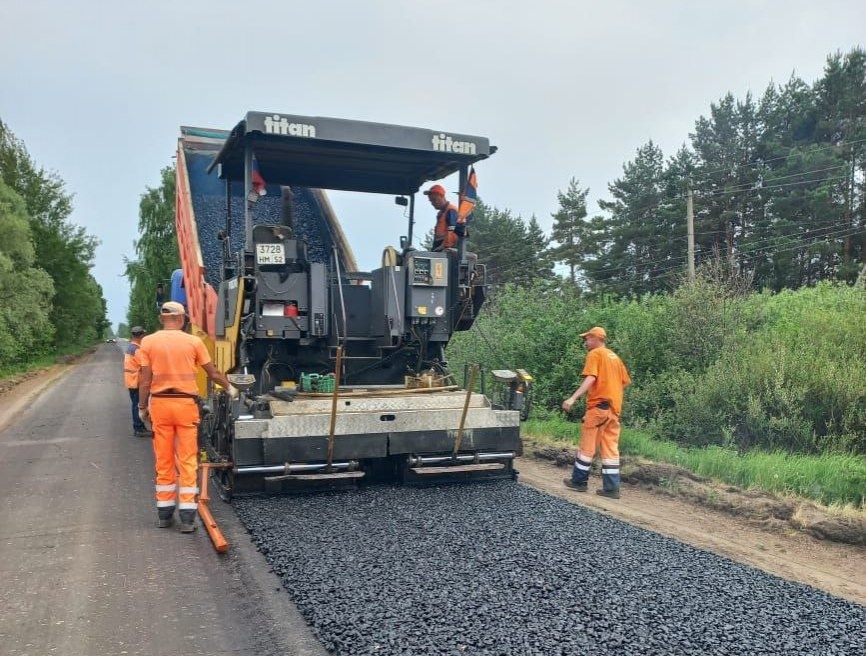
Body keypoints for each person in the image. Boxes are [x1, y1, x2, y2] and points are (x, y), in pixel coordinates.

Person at [137, 301, 238, 533]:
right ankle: (187, 519)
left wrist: (142, 408)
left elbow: (144, 380)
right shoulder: (193, 342)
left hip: (160, 406)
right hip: (185, 405)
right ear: (182, 319)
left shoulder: (148, 342)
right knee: (187, 460)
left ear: (162, 318)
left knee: (164, 460)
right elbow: (212, 372)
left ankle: (164, 515)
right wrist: (230, 387)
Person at [561, 326, 631, 499]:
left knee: (588, 445)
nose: (585, 342)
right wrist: (611, 395)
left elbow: (591, 378)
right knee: (610, 449)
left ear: (595, 338)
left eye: (587, 339)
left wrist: (573, 398)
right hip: (613, 411)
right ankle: (611, 489)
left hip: (599, 408)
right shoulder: (615, 357)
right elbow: (624, 382)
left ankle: (579, 482)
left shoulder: (595, 354)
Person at [124, 326, 150, 437]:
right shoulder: (137, 350)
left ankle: (139, 427)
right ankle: (139, 428)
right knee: (138, 405)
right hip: (137, 382)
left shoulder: (131, 347)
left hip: (131, 381)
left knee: (135, 404)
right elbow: (145, 366)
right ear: (141, 336)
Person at [423, 184, 461, 251]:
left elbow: (452, 231)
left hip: (447, 250)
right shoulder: (441, 213)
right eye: (431, 201)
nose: (433, 203)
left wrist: (443, 246)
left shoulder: (451, 210)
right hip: (440, 248)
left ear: (442, 196)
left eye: (434, 200)